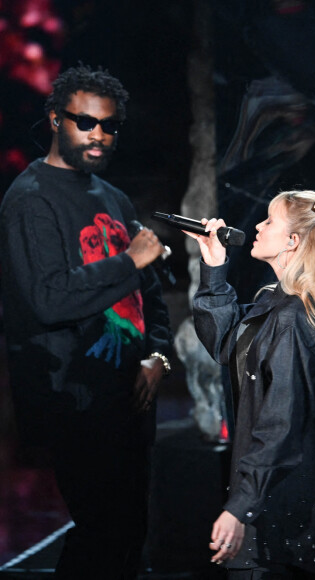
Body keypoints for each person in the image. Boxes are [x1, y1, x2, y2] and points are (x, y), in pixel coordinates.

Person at [0, 64, 173, 579]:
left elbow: (151, 296)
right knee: (104, 529)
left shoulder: (112, 197)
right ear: (55, 119)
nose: (98, 134)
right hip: (72, 392)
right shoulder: (31, 200)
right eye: (84, 122)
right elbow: (49, 300)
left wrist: (158, 354)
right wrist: (131, 261)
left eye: (109, 125)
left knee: (131, 530)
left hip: (131, 391)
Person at [187, 190, 315, 579]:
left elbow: (280, 424)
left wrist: (241, 506)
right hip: (282, 508)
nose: (257, 226)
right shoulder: (281, 302)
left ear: (293, 241)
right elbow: (227, 345)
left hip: (279, 514)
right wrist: (215, 269)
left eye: (269, 221)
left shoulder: (294, 319)